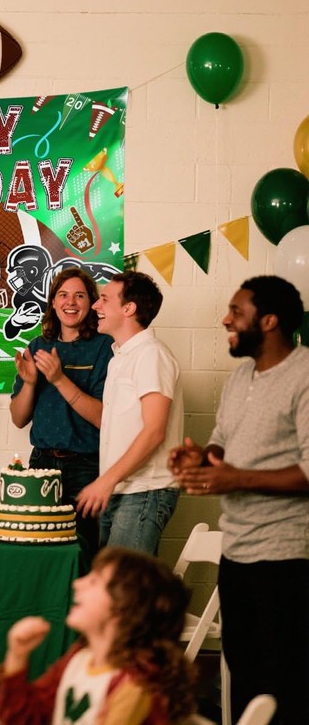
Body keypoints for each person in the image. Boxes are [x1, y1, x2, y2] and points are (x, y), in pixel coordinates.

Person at [169, 275, 309, 725]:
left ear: (269, 321)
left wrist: (234, 478)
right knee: (244, 675)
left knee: (286, 685)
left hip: (288, 557)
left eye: (236, 312)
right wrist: (202, 458)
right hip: (238, 552)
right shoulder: (240, 376)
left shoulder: (305, 375)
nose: (224, 319)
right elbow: (222, 443)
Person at [0, 547, 195, 725]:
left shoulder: (134, 687)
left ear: (123, 608)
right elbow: (26, 719)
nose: (77, 584)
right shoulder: (81, 658)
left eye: (93, 581)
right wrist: (17, 656)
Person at [10, 267, 113, 558]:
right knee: (38, 552)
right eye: (63, 295)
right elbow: (18, 419)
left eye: (79, 295)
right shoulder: (38, 346)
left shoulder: (105, 346)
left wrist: (58, 378)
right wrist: (30, 383)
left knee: (84, 553)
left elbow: (104, 419)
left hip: (87, 469)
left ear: (91, 303)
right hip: (41, 465)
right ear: (52, 303)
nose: (71, 302)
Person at [77, 271, 182, 555]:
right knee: (113, 587)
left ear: (128, 308)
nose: (96, 306)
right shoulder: (121, 357)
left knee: (122, 592)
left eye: (104, 299)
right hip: (121, 492)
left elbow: (154, 431)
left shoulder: (151, 354)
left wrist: (105, 481)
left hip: (144, 492)